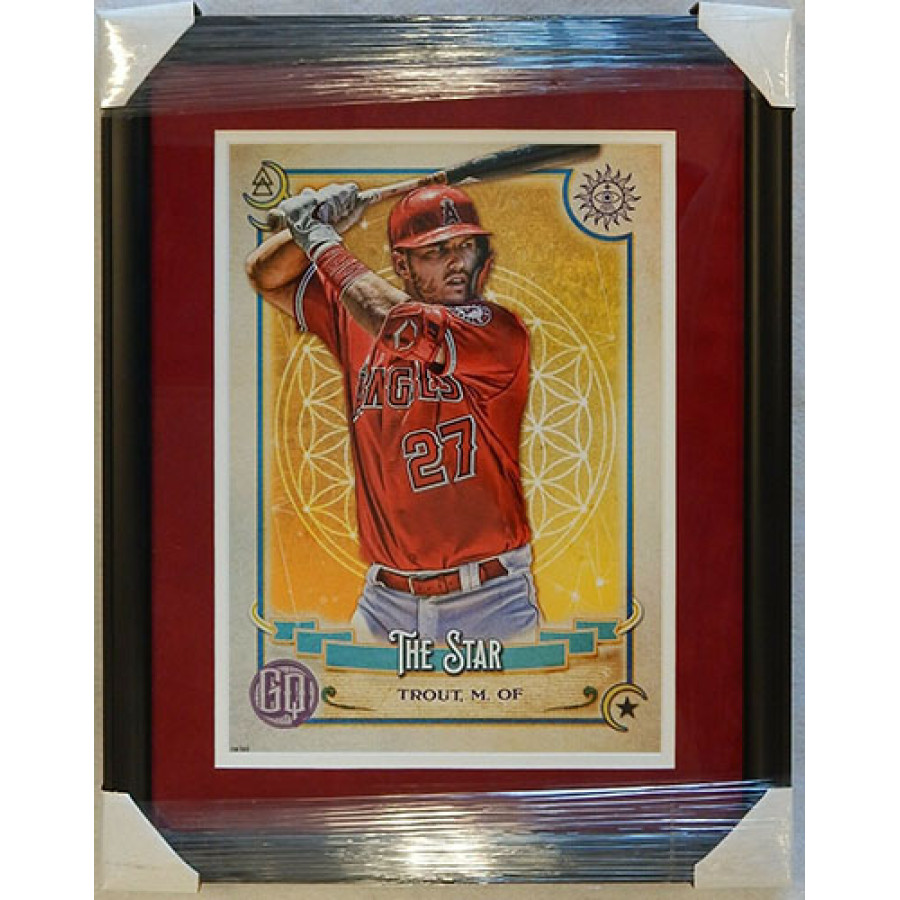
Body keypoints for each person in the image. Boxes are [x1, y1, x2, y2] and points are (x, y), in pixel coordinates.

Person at [245, 182, 541, 643]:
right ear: (401, 264)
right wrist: (309, 228)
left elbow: (398, 323)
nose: (457, 262)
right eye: (435, 251)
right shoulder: (353, 316)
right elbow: (266, 274)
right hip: (384, 602)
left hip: (490, 599)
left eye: (465, 246)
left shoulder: (497, 332)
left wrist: (319, 239)